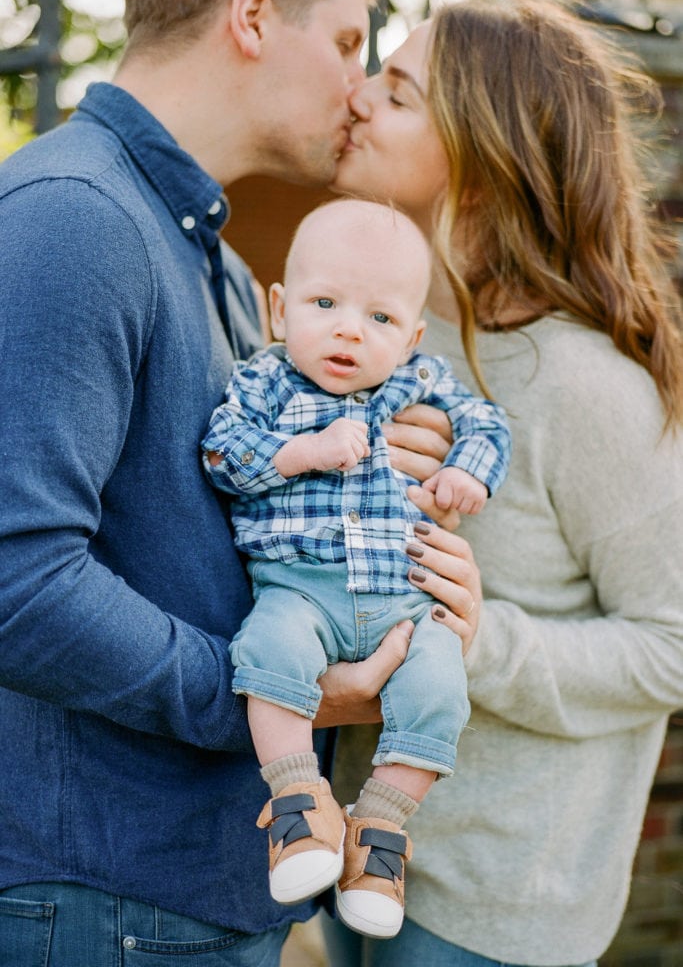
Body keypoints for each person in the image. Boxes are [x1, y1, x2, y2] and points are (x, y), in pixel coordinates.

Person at [0, 0, 422, 964]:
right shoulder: (74, 219)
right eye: (346, 43)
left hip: (188, 894)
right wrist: (268, 695)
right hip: (103, 897)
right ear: (249, 16)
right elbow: (18, 581)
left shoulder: (214, 258)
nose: (359, 91)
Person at [321, 0, 683, 967]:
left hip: (489, 918)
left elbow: (669, 645)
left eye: (394, 92)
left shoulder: (587, 390)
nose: (353, 98)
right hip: (350, 870)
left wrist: (484, 641)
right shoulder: (375, 342)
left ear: (479, 159)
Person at [201, 198, 511, 938]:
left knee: (440, 687)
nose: (347, 328)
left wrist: (467, 472)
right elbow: (220, 452)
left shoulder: (420, 383)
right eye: (324, 303)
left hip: (401, 601)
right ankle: (299, 805)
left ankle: (378, 832)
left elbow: (486, 421)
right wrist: (298, 454)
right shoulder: (266, 383)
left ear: (410, 337)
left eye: (378, 319)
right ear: (279, 309)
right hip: (298, 591)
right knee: (266, 655)